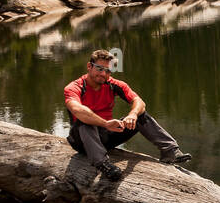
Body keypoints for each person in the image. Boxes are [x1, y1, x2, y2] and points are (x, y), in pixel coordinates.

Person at [63, 49, 191, 181]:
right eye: (99, 68)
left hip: (106, 136)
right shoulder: (74, 87)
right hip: (81, 141)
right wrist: (105, 123)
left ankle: (170, 151)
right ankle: (102, 164)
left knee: (141, 115)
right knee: (85, 121)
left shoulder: (114, 85)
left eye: (108, 71)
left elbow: (139, 101)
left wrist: (133, 115)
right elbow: (78, 110)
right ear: (89, 66)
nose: (103, 73)